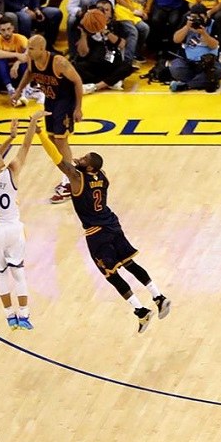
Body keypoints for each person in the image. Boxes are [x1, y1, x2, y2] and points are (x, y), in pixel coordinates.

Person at [35, 132, 171, 333]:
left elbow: (56, 158)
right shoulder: (103, 175)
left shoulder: (77, 177)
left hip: (96, 232)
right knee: (130, 264)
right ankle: (158, 297)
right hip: (112, 223)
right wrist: (81, 164)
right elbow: (91, 170)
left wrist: (40, 134)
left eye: (84, 159)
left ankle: (141, 310)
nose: (80, 158)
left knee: (111, 274)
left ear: (90, 168)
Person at [0, 111, 46, 330]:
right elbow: (25, 147)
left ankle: (9, 316)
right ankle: (24, 315)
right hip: (13, 229)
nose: (3, 159)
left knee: (0, 274)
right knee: (18, 273)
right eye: (1, 158)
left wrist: (8, 138)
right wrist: (32, 123)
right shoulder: (11, 172)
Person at [9, 35, 84, 203]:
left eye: (31, 48)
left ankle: (69, 181)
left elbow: (78, 82)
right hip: (50, 100)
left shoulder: (59, 62)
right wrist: (19, 91)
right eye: (28, 48)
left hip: (65, 101)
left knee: (60, 140)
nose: (28, 51)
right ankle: (72, 172)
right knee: (52, 139)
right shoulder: (32, 60)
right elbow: (29, 73)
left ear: (42, 49)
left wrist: (78, 108)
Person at [74, 3, 134, 92]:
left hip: (110, 64)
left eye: (106, 10)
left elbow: (122, 44)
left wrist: (104, 31)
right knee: (75, 67)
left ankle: (96, 86)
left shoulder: (116, 25)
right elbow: (83, 53)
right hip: (92, 66)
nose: (103, 13)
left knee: (127, 66)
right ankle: (110, 82)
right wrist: (83, 34)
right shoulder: (85, 27)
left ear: (111, 14)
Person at [168, 3, 221, 92]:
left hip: (207, 63)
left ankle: (186, 85)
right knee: (175, 68)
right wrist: (187, 27)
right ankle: (203, 82)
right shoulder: (187, 22)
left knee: (216, 71)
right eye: (194, 17)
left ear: (206, 16)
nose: (197, 20)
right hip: (187, 62)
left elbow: (214, 45)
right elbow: (176, 39)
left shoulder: (213, 24)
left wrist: (203, 33)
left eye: (200, 18)